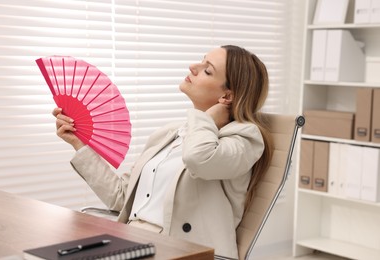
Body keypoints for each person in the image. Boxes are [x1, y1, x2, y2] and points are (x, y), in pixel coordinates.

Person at [53, 45, 273, 259]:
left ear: (227, 96)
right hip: (134, 241)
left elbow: (199, 159)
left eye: (207, 70)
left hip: (185, 251)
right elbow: (121, 197)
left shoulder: (245, 138)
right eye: (201, 59)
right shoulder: (170, 133)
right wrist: (79, 144)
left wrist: (204, 118)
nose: (192, 66)